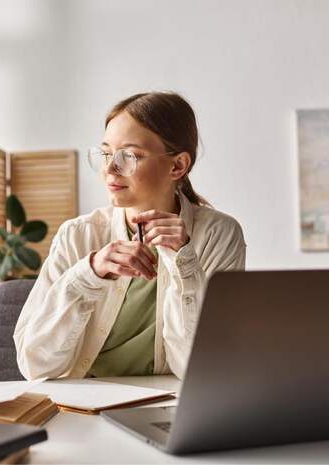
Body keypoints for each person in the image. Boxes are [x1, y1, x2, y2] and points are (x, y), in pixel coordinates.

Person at [13, 91, 246, 381]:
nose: (109, 169)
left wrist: (184, 262)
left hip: (168, 405)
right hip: (85, 404)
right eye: (107, 153)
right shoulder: (77, 235)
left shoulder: (218, 235)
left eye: (129, 156)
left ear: (178, 166)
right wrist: (88, 274)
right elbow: (35, 365)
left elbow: (201, 369)